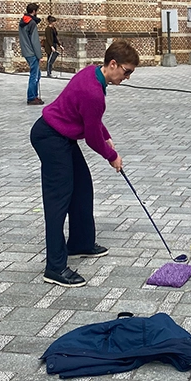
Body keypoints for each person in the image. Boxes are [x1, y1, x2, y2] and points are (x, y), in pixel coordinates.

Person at [30, 40, 140, 287]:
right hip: (50, 137)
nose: (128, 77)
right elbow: (91, 137)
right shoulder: (94, 92)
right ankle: (55, 267)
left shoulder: (93, 73)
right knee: (59, 199)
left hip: (62, 136)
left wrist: (107, 136)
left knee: (82, 187)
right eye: (127, 71)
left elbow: (91, 119)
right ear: (113, 64)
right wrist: (112, 157)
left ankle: (80, 243)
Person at [19, 3, 43, 105]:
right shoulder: (32, 23)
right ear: (34, 11)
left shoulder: (22, 21)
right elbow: (35, 41)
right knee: (34, 75)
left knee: (37, 74)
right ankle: (32, 97)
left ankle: (34, 95)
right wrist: (39, 55)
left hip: (26, 50)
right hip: (32, 52)